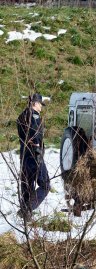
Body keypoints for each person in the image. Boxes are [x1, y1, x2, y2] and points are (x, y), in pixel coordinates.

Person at [17, 93, 50, 221]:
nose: (41, 107)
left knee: (27, 186)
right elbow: (34, 133)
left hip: (24, 156)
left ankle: (25, 217)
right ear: (35, 103)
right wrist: (37, 146)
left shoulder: (21, 116)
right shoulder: (33, 116)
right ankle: (27, 209)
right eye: (40, 104)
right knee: (45, 185)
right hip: (34, 155)